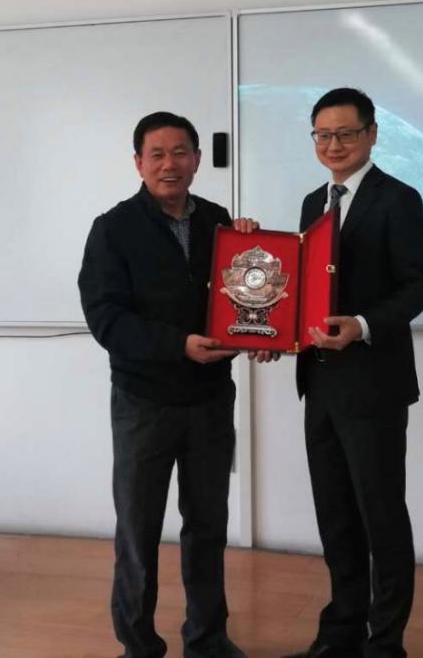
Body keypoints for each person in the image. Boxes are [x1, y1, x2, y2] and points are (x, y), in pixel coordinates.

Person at [78, 111, 252, 658]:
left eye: (180, 152)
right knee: (138, 529)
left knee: (208, 525)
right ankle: (138, 646)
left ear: (197, 160)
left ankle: (208, 639)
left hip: (210, 398)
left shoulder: (220, 223)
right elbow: (105, 319)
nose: (169, 164)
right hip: (143, 402)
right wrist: (178, 344)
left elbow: (246, 295)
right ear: (138, 163)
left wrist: (257, 252)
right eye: (156, 154)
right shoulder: (112, 228)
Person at [284, 88, 423, 658]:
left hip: (373, 385)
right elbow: (305, 288)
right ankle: (339, 636)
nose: (334, 145)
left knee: (381, 518)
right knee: (336, 517)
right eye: (323, 135)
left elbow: (417, 287)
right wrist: (274, 331)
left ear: (372, 134)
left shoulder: (398, 199)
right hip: (319, 383)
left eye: (346, 133)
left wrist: (364, 325)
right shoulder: (312, 203)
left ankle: (385, 644)